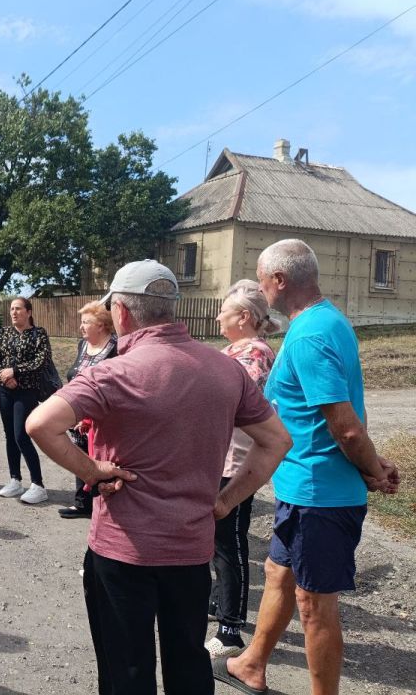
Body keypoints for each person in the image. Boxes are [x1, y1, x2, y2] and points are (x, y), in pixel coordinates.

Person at [25, 259, 292, 695]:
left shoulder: (111, 374)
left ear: (123, 313)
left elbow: (40, 424)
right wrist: (226, 501)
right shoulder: (225, 369)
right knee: (188, 664)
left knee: (126, 669)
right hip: (190, 550)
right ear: (173, 308)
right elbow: (277, 441)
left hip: (122, 550)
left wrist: (91, 471)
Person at [218, 239, 400, 695]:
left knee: (314, 604)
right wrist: (372, 463)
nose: (260, 289)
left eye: (262, 280)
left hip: (319, 494)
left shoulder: (311, 336)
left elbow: (345, 426)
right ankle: (252, 664)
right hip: (303, 488)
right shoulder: (328, 321)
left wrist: (372, 470)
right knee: (279, 573)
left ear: (279, 280)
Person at [206, 279, 280, 659]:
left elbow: (235, 404)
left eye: (225, 310)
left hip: (236, 463)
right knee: (215, 541)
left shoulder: (254, 353)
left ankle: (231, 629)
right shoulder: (236, 350)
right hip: (220, 458)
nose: (218, 315)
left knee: (229, 544)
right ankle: (219, 605)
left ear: (244, 317)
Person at [0, 297, 52, 504]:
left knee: (21, 435)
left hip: (27, 391)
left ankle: (38, 484)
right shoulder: (4, 333)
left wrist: (15, 371)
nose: (14, 312)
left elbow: (41, 361)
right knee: (9, 436)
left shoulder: (38, 334)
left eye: (19, 309)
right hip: (5, 390)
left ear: (29, 312)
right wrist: (3, 375)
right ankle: (15, 479)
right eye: (12, 309)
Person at [57, 302, 117, 520]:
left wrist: (90, 418)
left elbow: (110, 386)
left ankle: (100, 504)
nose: (81, 326)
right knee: (80, 455)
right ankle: (82, 503)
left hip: (101, 415)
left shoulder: (114, 348)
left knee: (99, 457)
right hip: (79, 412)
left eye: (86, 322)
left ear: (101, 325)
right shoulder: (83, 345)